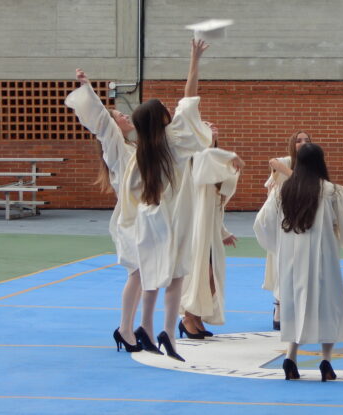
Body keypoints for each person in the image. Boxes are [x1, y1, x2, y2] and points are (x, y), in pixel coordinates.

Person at [117, 38, 214, 361]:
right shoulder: (176, 139)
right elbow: (190, 96)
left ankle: (145, 324)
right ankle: (169, 333)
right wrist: (194, 58)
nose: (170, 109)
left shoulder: (141, 153)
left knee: (151, 275)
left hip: (148, 219)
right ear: (161, 118)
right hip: (176, 215)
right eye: (164, 109)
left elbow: (129, 194)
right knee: (176, 275)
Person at [254, 143, 343, 382]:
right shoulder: (331, 191)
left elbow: (262, 223)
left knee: (293, 306)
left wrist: (278, 244)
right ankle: (326, 361)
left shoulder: (283, 190)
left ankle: (291, 356)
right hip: (322, 259)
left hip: (290, 259)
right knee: (328, 305)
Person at [66, 69, 142, 352]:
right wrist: (88, 88)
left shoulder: (131, 146)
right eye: (119, 115)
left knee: (143, 273)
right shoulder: (113, 145)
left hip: (143, 214)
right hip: (130, 217)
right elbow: (100, 119)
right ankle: (125, 328)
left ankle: (131, 326)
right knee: (137, 272)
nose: (125, 116)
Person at [179, 126, 244, 339]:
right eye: (207, 127)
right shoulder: (194, 159)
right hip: (195, 228)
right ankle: (188, 316)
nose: (214, 129)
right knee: (202, 273)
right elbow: (205, 156)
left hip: (210, 229)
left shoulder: (214, 162)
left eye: (215, 127)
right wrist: (231, 157)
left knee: (213, 276)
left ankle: (196, 316)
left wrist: (223, 231)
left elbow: (217, 206)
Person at [262, 131, 312, 330]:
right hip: (283, 220)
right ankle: (279, 306)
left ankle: (301, 309)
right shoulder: (286, 161)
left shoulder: (312, 167)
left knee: (302, 266)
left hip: (305, 220)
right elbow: (273, 163)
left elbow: (308, 185)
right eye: (298, 140)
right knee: (281, 264)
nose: (303, 143)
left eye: (307, 141)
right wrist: (278, 170)